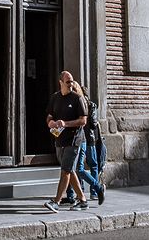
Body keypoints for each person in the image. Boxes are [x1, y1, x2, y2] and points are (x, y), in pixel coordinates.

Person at [43, 71, 89, 212]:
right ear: (61, 82)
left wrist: (65, 123)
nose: (71, 84)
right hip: (59, 139)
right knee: (69, 169)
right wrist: (50, 122)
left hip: (74, 140)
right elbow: (49, 116)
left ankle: (56, 201)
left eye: (72, 81)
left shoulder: (77, 98)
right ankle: (82, 200)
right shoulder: (55, 98)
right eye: (68, 81)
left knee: (65, 170)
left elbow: (83, 120)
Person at [71, 93, 106, 206]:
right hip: (85, 139)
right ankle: (90, 191)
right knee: (85, 166)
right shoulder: (83, 105)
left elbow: (92, 123)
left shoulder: (90, 105)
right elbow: (94, 123)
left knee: (85, 166)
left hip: (86, 140)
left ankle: (92, 191)